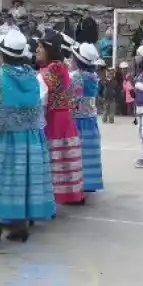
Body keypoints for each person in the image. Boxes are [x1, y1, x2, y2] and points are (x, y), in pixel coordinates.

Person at [0, 30, 55, 243]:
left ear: (1, 54)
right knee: (22, 180)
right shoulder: (31, 75)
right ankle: (20, 225)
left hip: (3, 138)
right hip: (29, 138)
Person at [36, 30, 84, 204]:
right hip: (65, 117)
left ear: (48, 49)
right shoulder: (62, 67)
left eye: (40, 47)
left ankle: (55, 196)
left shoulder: (50, 70)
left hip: (54, 119)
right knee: (65, 158)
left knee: (54, 159)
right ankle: (70, 194)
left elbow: (42, 97)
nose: (37, 50)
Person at [71, 43, 104, 196]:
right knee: (90, 151)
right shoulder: (94, 76)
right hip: (90, 118)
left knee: (79, 152)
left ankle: (79, 182)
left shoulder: (76, 76)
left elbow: (72, 97)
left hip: (77, 119)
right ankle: (90, 182)